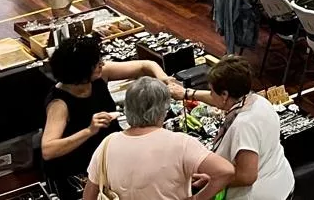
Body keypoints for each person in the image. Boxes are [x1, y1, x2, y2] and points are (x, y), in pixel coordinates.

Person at [41, 36, 177, 200]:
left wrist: (162, 78)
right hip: (77, 169)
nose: (102, 64)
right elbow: (48, 150)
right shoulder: (59, 104)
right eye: (96, 63)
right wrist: (89, 131)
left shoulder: (101, 74)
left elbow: (145, 66)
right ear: (81, 70)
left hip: (108, 156)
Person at [79, 77, 233, 200]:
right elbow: (225, 171)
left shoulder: (108, 144)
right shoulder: (181, 143)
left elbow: (89, 195)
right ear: (163, 110)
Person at [206, 57, 294, 200]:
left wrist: (212, 180)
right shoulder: (259, 101)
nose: (210, 95)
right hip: (281, 181)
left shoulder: (243, 125)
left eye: (211, 91)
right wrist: (187, 93)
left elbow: (247, 176)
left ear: (225, 95)